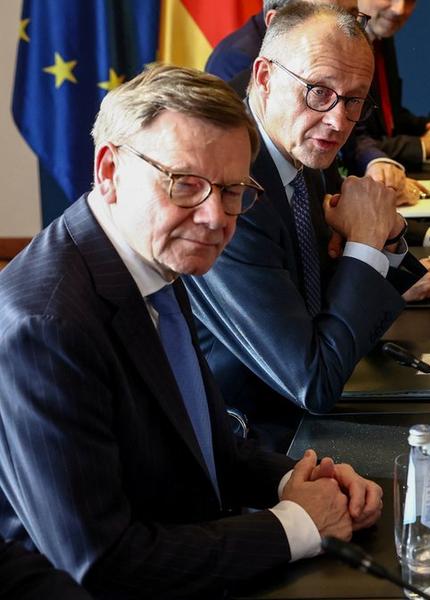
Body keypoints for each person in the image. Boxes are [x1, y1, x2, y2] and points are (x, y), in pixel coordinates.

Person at [0, 64, 380, 597]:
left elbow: (200, 443)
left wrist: (298, 480)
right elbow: (101, 563)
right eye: (185, 185)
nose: (215, 218)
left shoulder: (151, 253)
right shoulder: (47, 325)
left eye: (232, 191)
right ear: (108, 170)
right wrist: (298, 524)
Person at [184, 3, 430, 449]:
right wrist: (366, 242)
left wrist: (382, 237)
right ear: (264, 77)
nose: (337, 122)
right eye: (319, 92)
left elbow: (320, 293)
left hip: (313, 408)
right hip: (255, 439)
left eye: (354, 100)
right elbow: (313, 382)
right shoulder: (231, 191)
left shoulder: (298, 147)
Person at [342, 0, 430, 186]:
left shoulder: (383, 39)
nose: (399, 9)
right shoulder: (340, 45)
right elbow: (350, 142)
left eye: (410, 1)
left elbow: (390, 117)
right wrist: (425, 145)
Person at [204, 0, 357, 83]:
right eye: (327, 19)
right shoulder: (234, 63)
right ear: (276, 21)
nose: (347, 34)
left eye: (353, 16)